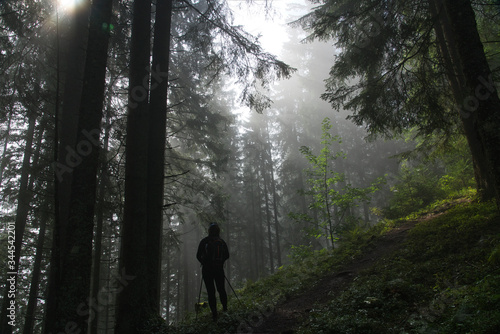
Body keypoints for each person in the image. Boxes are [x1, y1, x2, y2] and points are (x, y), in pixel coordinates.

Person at [196, 222, 229, 321]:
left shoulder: (204, 241)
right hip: (219, 269)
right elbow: (227, 255)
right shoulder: (221, 242)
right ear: (218, 230)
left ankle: (214, 314)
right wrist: (221, 262)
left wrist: (204, 262)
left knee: (211, 292)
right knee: (221, 289)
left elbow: (198, 255)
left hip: (207, 270)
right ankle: (225, 309)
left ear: (209, 231)